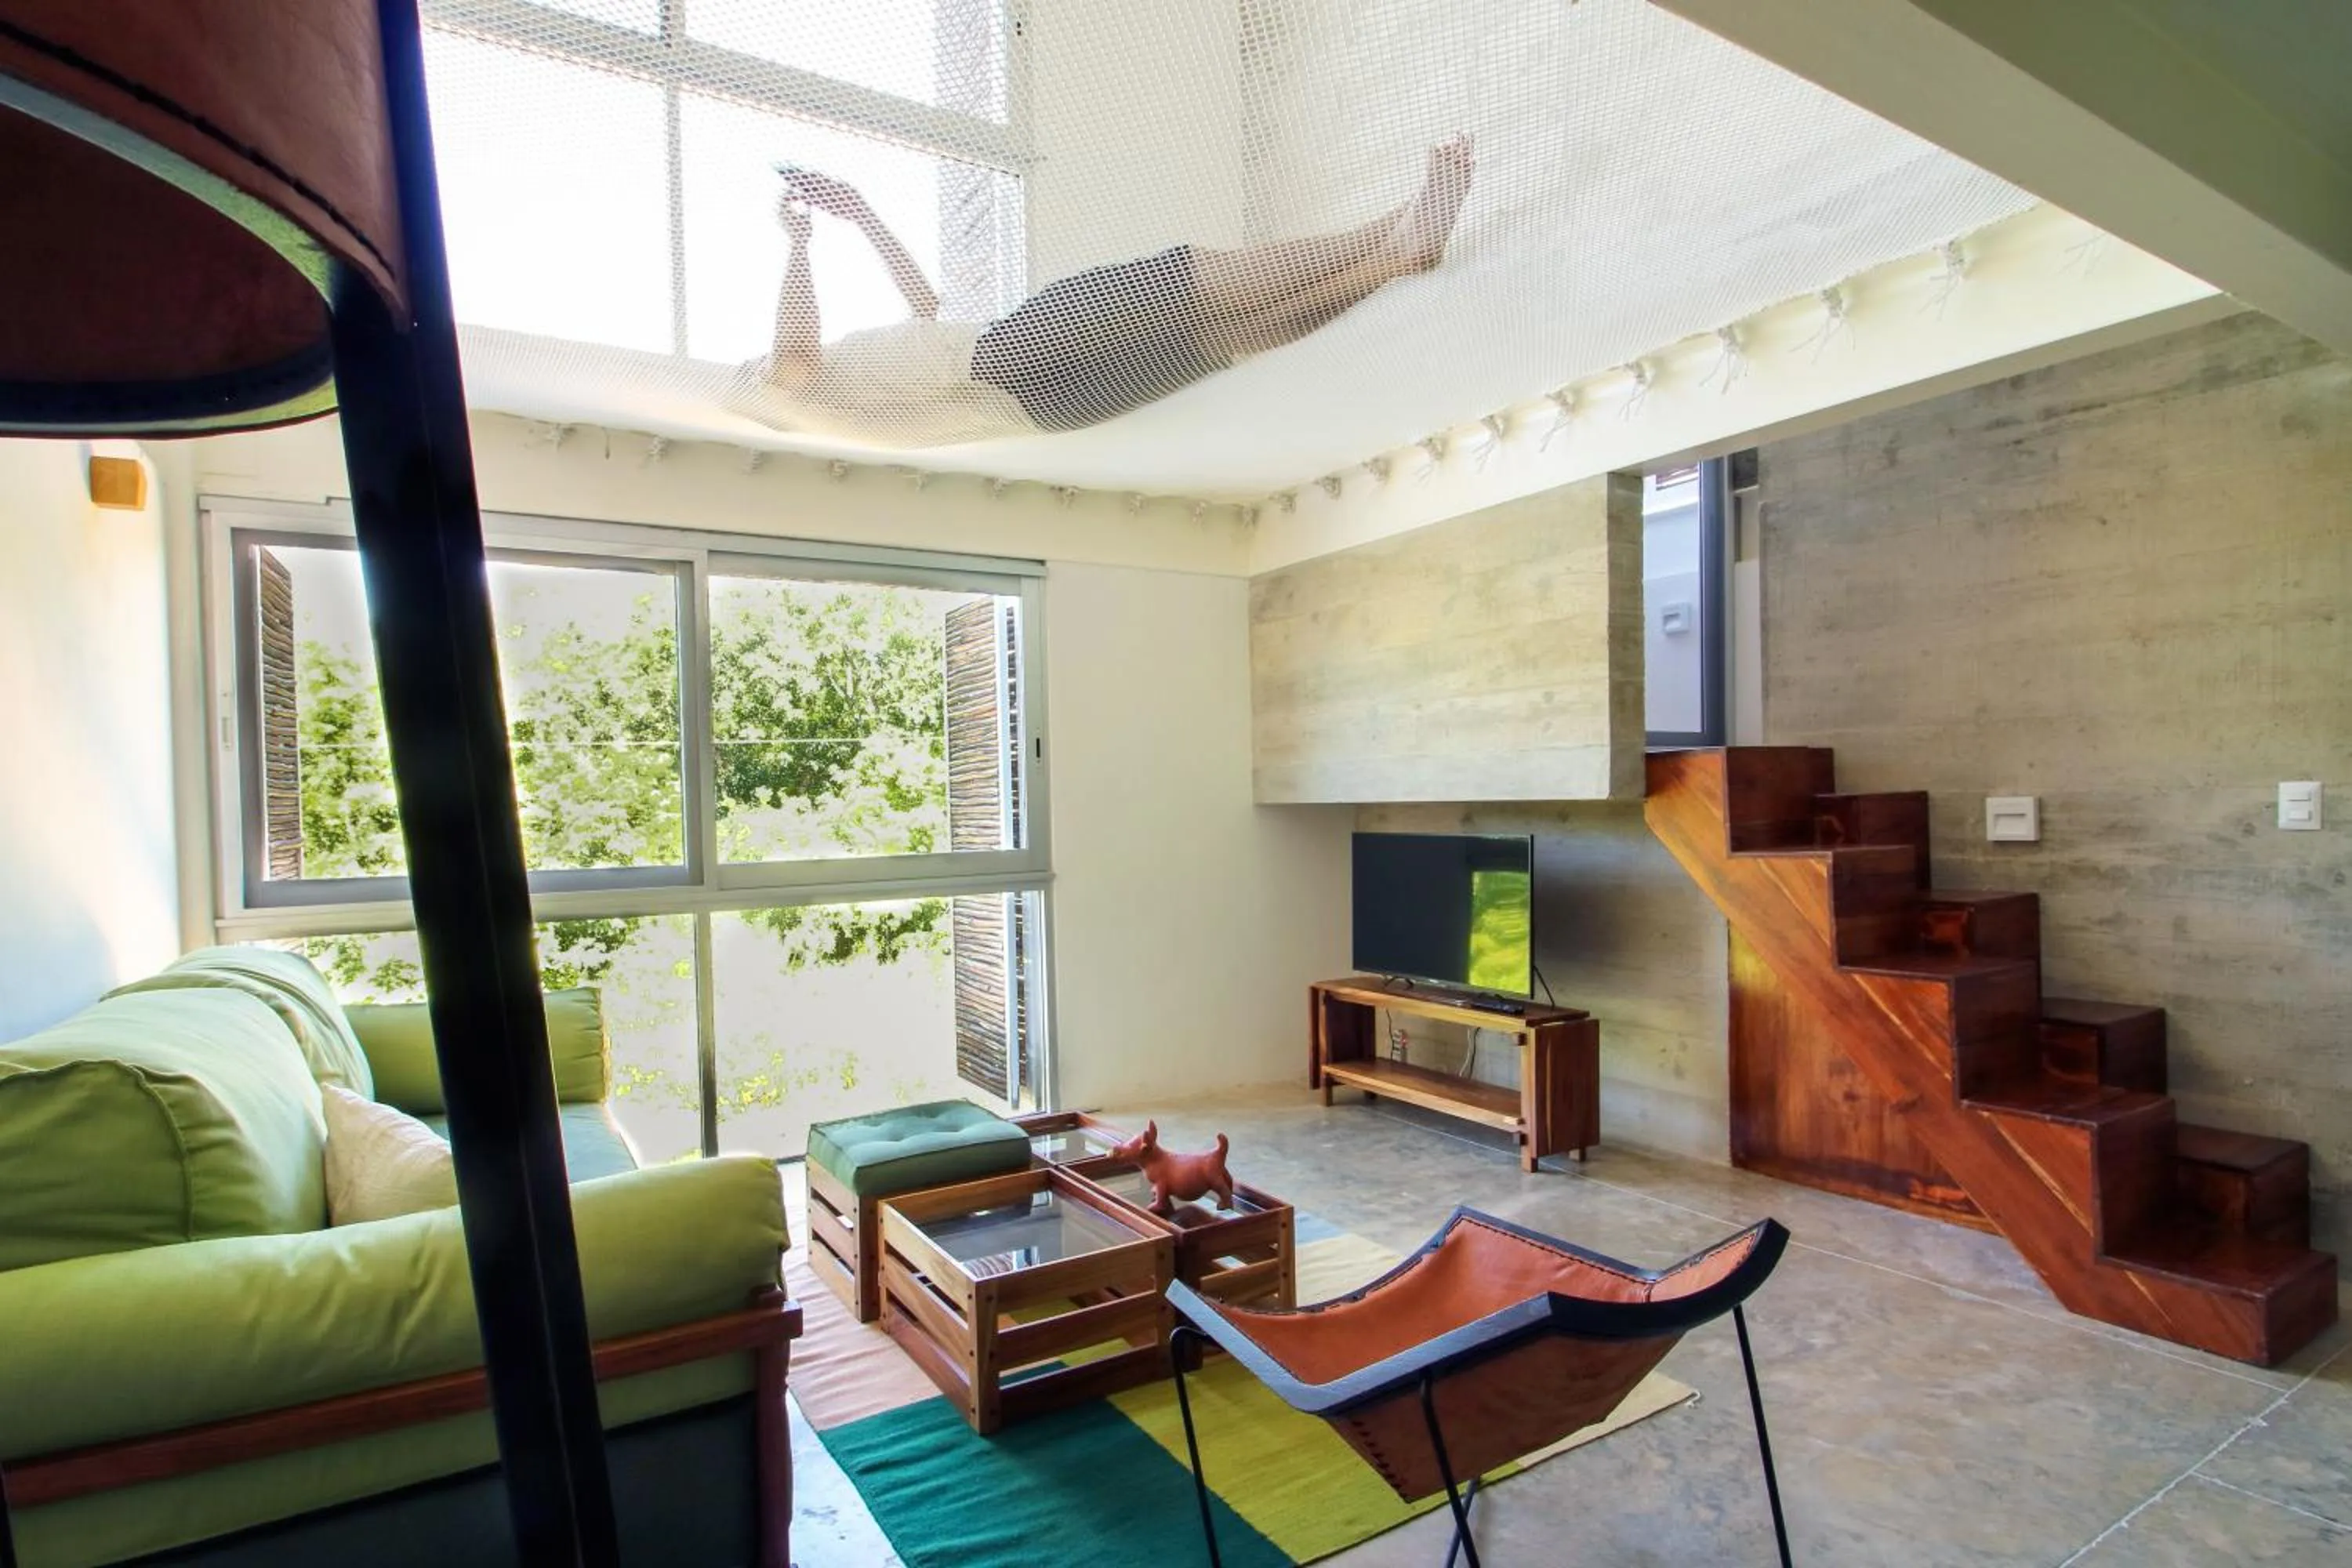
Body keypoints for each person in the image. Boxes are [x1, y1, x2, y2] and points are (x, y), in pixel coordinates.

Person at [729, 136, 1475, 448]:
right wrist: (799, 246)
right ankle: (1385, 235)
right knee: (1191, 280)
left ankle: (1391, 257)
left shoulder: (847, 388)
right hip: (1012, 355)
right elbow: (790, 355)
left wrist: (860, 214)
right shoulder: (768, 389)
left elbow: (923, 307)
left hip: (1047, 410)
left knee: (1224, 339)